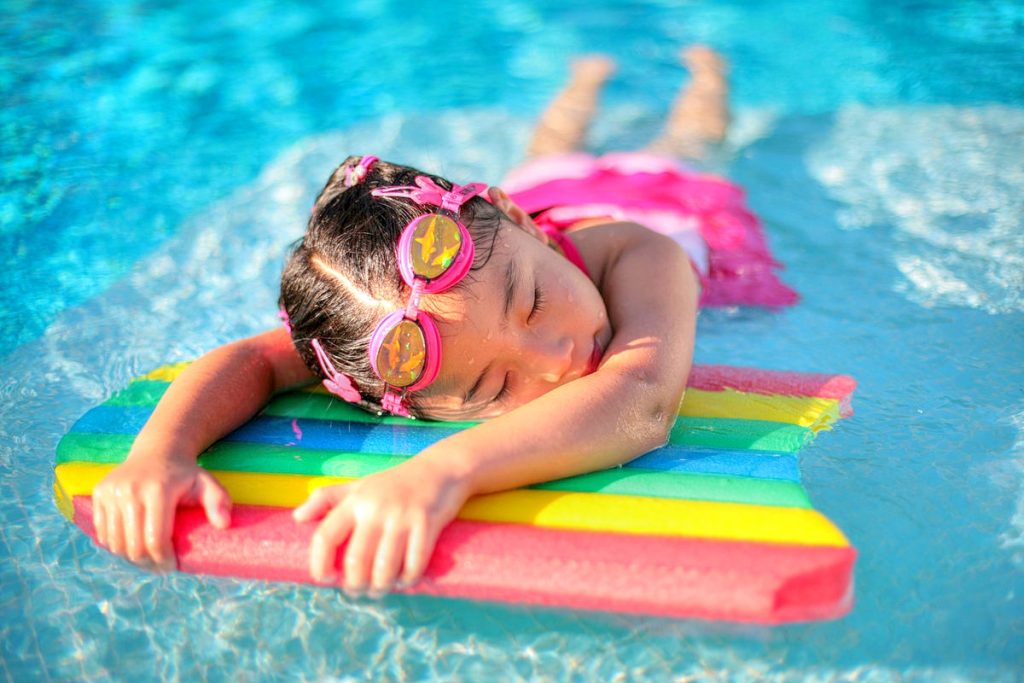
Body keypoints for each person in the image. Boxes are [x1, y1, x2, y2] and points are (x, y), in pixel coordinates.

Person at [92, 47, 731, 596]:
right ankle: (589, 81)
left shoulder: (641, 253)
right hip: (521, 225)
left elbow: (643, 402)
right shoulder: (413, 325)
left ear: (517, 219)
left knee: (678, 142)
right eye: (491, 389)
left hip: (667, 192)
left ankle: (689, 76)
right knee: (556, 154)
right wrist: (160, 454)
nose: (558, 357)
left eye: (533, 301)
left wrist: (442, 471)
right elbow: (259, 360)